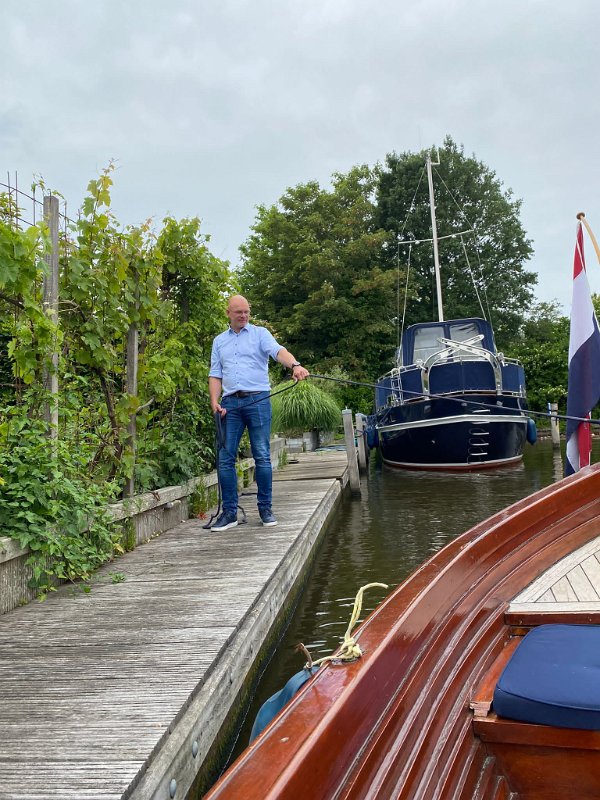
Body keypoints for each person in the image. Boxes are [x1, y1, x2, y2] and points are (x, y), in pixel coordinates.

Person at [208, 295, 309, 531]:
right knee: (225, 457)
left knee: (262, 455)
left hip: (259, 400)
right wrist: (214, 401)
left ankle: (265, 509)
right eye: (239, 312)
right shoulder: (219, 341)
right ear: (228, 313)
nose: (244, 316)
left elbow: (278, 351)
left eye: (247, 311)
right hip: (230, 404)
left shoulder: (260, 334)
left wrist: (295, 365)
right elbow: (215, 374)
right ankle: (229, 513)